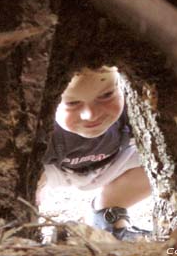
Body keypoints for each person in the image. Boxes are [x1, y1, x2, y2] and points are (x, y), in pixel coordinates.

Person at [36, 66, 152, 240]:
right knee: (30, 176)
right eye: (72, 103)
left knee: (161, 163)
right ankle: (29, 218)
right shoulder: (44, 127)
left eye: (106, 96)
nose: (90, 114)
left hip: (111, 164)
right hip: (58, 171)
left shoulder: (133, 107)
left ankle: (108, 211)